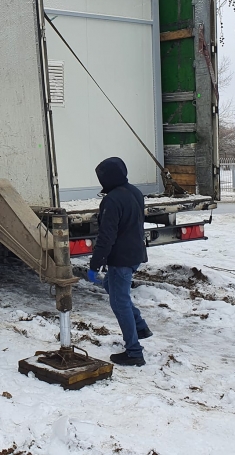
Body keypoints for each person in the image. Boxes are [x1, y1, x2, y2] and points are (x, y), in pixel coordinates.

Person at [88, 156, 153, 367]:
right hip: (135, 254)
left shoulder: (112, 200)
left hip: (121, 259)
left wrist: (95, 264)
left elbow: (106, 236)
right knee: (111, 286)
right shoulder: (135, 192)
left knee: (119, 302)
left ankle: (134, 352)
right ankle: (140, 327)